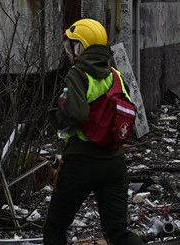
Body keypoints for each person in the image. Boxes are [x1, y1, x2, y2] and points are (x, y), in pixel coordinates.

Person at [43, 18, 144, 245]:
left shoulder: (77, 74)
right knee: (118, 232)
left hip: (81, 162)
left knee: (55, 228)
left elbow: (77, 114)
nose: (69, 52)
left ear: (80, 47)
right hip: (115, 164)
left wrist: (55, 116)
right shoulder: (115, 75)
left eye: (71, 46)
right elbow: (130, 110)